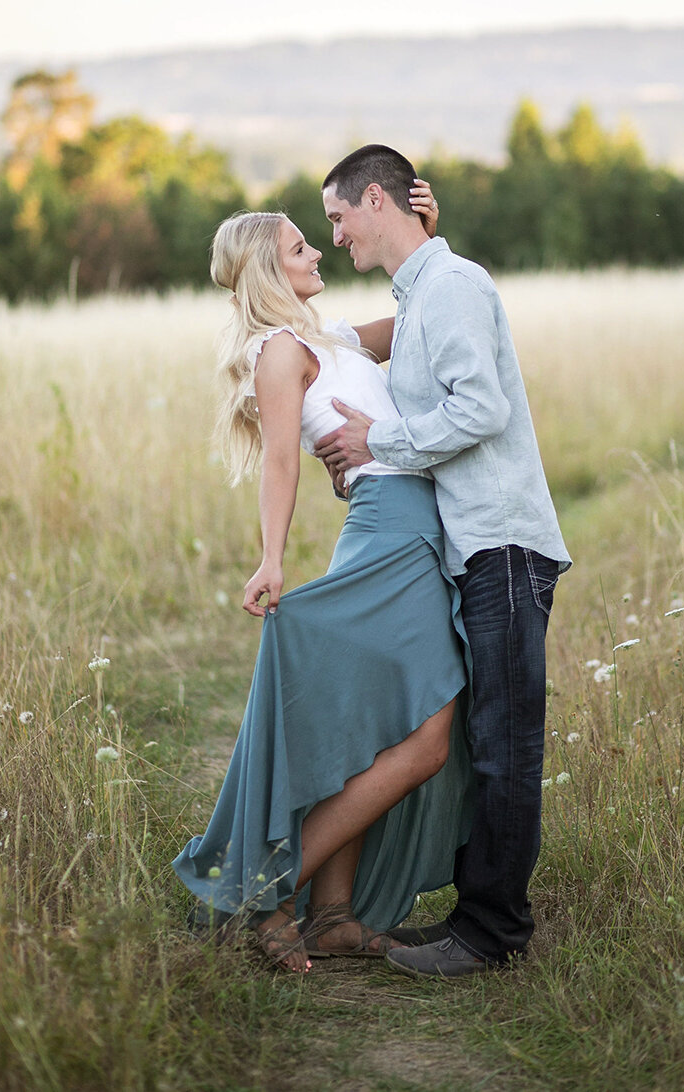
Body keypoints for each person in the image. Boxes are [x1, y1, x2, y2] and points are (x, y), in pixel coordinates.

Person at [172, 190, 473, 972]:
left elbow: (422, 322)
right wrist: (271, 558)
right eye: (302, 247)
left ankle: (333, 917)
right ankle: (269, 894)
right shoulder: (278, 351)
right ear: (272, 268)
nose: (318, 254)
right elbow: (279, 459)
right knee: (426, 741)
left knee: (376, 729)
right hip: (388, 534)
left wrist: (422, 236)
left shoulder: (328, 337)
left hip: (405, 531)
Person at [315, 144, 571, 979]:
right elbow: (396, 347)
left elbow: (482, 408)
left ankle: (490, 935)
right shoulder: (424, 290)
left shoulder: (452, 287)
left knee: (503, 746)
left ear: (377, 199)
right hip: (477, 546)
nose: (337, 234)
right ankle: (477, 918)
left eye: (339, 216)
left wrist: (374, 438)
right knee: (483, 741)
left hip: (501, 542)